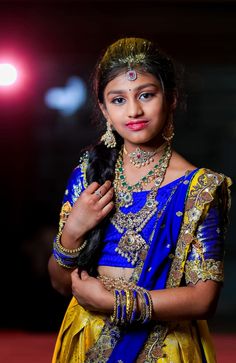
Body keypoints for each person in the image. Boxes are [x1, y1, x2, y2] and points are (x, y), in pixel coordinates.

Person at [48, 37, 232, 363]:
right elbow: (62, 284)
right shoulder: (89, 173)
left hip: (163, 347)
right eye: (118, 100)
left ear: (171, 98)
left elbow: (204, 299)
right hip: (88, 339)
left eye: (146, 95)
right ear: (104, 109)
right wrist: (73, 233)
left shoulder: (201, 189)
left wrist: (115, 304)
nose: (133, 110)